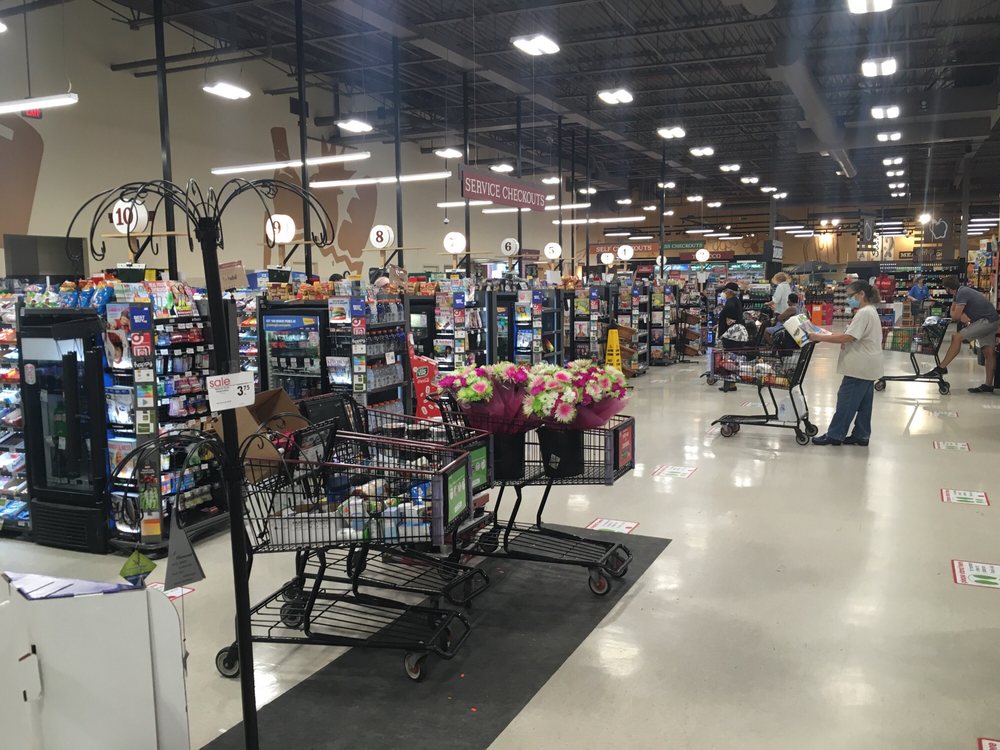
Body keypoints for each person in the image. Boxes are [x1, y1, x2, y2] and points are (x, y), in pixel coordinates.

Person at [807, 281, 884, 446]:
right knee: (864, 404)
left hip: (859, 366)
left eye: (851, 296)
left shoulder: (864, 313)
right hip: (870, 365)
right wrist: (828, 335)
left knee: (846, 401)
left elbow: (849, 337)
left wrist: (819, 337)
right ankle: (861, 434)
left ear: (861, 294)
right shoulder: (871, 311)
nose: (849, 299)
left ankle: (835, 435)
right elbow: (853, 335)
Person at [927, 276, 999, 393]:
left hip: (986, 321)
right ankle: (988, 385)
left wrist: (955, 312)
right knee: (989, 353)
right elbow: (957, 315)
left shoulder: (962, 293)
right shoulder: (960, 292)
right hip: (991, 319)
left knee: (957, 337)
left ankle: (941, 368)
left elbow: (955, 316)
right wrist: (958, 313)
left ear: (947, 288)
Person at [717, 282, 744, 392]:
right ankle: (731, 383)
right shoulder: (736, 301)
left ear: (730, 292)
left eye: (725, 291)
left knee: (729, 359)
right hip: (735, 334)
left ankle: (729, 384)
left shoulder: (731, 302)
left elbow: (730, 317)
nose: (723, 293)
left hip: (731, 335)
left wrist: (725, 324)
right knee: (732, 358)